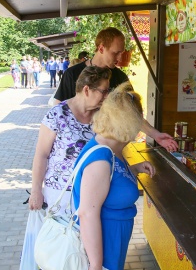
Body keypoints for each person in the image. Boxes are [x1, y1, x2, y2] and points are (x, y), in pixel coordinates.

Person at [72, 82, 156, 270]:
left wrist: (135, 168)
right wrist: (96, 265)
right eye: (138, 120)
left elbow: (111, 183)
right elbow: (87, 214)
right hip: (104, 249)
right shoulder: (100, 160)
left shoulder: (110, 148)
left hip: (112, 243)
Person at [54, 27, 178, 152]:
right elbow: (59, 111)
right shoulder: (72, 74)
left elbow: (132, 113)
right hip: (76, 150)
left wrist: (156, 135)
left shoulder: (120, 78)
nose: (119, 58)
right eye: (115, 53)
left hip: (110, 151)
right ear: (101, 48)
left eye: (122, 53)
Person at [28, 66, 113, 215]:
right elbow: (41, 154)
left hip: (95, 195)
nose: (107, 96)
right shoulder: (57, 114)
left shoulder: (104, 116)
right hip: (60, 195)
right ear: (86, 90)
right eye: (103, 91)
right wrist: (36, 190)